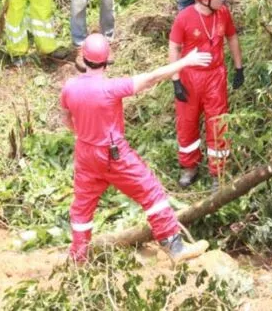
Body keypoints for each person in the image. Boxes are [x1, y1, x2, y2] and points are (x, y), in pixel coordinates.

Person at [61, 33, 212, 264]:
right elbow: (152, 78)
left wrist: (82, 134)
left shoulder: (70, 87)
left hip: (85, 152)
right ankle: (174, 245)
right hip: (112, 153)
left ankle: (78, 257)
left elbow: (67, 119)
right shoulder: (111, 88)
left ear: (83, 58)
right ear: (107, 59)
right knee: (150, 192)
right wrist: (186, 61)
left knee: (82, 207)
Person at [169, 0, 244, 190]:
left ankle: (217, 170)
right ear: (205, 0)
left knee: (218, 123)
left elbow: (232, 38)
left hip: (215, 77)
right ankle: (188, 167)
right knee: (187, 122)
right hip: (190, 76)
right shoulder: (184, 18)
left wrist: (239, 68)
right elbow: (173, 47)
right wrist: (175, 80)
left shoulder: (223, 13)